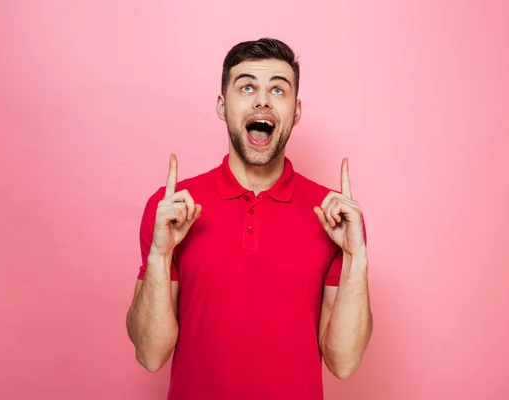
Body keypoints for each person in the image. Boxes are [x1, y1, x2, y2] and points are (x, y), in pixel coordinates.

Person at [126, 37, 373, 400]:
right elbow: (150, 354)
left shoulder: (333, 215)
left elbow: (345, 362)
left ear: (296, 110)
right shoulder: (173, 209)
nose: (262, 100)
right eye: (247, 87)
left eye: (278, 89)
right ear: (223, 106)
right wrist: (160, 256)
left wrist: (356, 259)